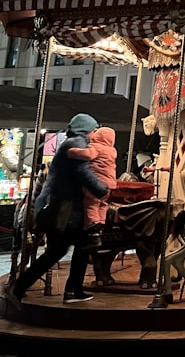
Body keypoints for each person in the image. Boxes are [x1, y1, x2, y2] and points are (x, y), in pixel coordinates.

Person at [6, 113, 110, 305]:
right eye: (93, 129)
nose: (94, 133)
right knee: (75, 247)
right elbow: (82, 172)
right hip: (67, 210)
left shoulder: (70, 142)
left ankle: (23, 288)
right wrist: (101, 189)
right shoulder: (76, 143)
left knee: (61, 250)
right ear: (87, 129)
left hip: (60, 207)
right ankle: (69, 290)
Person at [66, 125, 118, 248]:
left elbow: (88, 155)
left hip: (97, 182)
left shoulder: (96, 147)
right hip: (109, 184)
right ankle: (101, 222)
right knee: (103, 204)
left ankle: (93, 228)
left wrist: (72, 152)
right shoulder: (112, 150)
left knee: (91, 204)